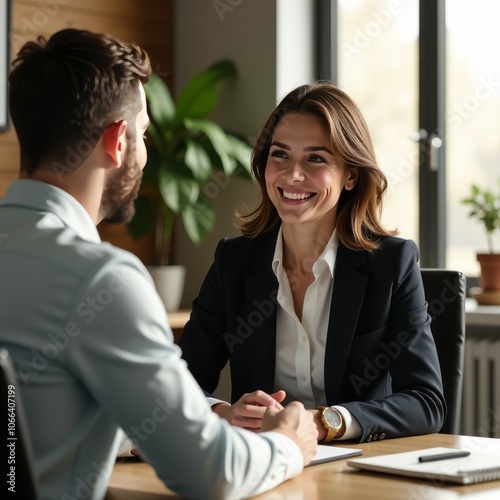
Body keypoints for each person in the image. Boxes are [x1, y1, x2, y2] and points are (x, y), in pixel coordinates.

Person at [0, 29, 318, 500]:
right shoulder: (98, 280)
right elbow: (213, 473)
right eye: (143, 133)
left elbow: (40, 413)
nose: (146, 152)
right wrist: (289, 442)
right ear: (117, 141)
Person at [179, 82, 447, 444]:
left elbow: (425, 402)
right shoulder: (234, 262)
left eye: (315, 159)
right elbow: (179, 382)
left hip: (357, 475)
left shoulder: (392, 265)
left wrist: (323, 422)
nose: (292, 176)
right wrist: (226, 413)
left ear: (350, 175)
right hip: (261, 466)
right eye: (280, 155)